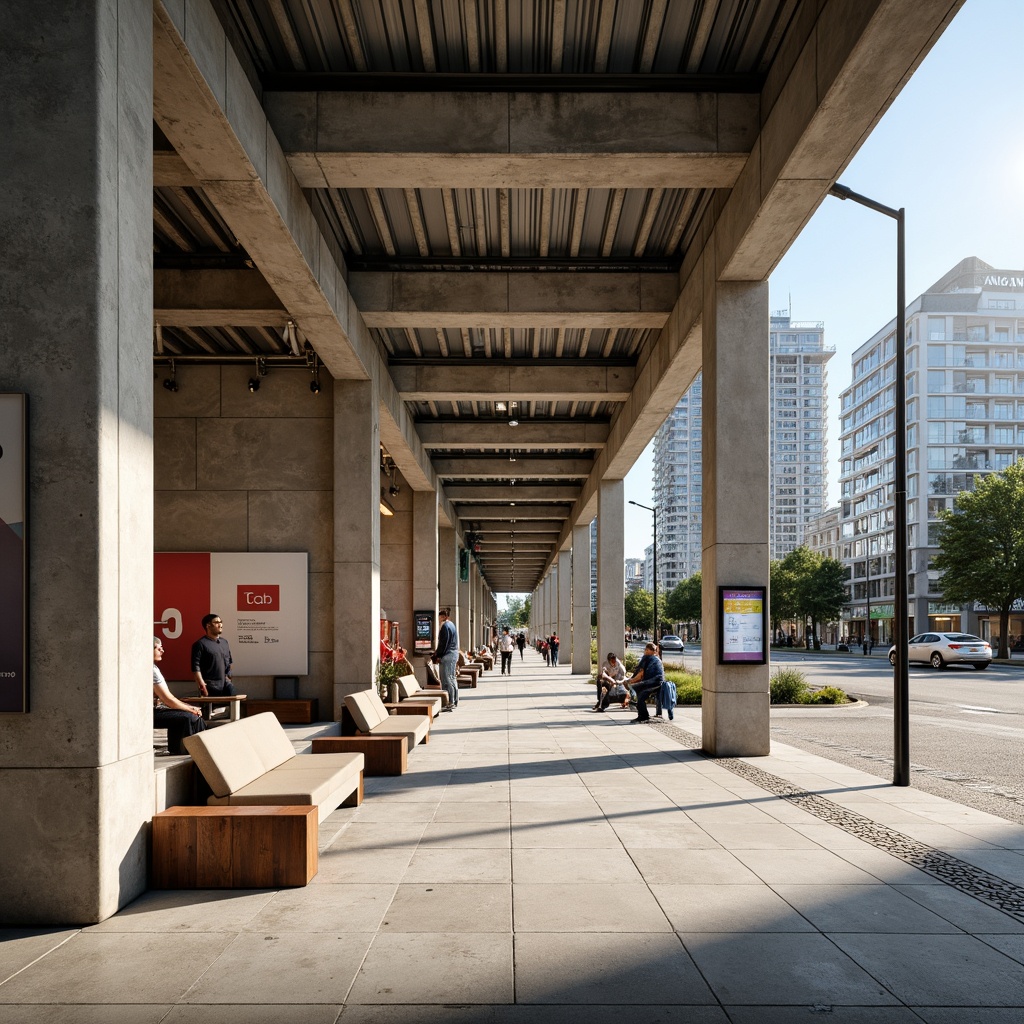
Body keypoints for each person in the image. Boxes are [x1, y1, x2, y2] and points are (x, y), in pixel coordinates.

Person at [153, 637, 206, 754]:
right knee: (190, 717)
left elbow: (170, 698)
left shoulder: (154, 668)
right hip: (149, 713)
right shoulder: (150, 670)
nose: (162, 650)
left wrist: (191, 708)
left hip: (156, 709)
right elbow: (168, 699)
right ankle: (190, 753)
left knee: (193, 716)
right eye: (158, 648)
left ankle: (196, 753)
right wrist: (191, 709)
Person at [191, 613, 235, 697]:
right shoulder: (200, 644)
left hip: (226, 684)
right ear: (208, 625)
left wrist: (229, 678)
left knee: (232, 707)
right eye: (216, 622)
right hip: (210, 685)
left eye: (221, 622)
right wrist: (202, 685)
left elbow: (229, 662)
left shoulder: (224, 642)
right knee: (212, 709)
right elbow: (196, 668)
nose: (220, 625)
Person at [626, 642, 665, 724]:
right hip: (658, 681)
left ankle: (642, 715)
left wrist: (630, 681)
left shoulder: (646, 658)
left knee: (637, 691)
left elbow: (640, 674)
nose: (645, 651)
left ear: (650, 651)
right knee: (640, 694)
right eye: (645, 650)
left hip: (652, 682)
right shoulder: (657, 658)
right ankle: (642, 713)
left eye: (646, 650)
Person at [432, 607, 459, 711]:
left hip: (448, 655)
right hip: (452, 654)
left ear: (443, 616)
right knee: (451, 678)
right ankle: (453, 701)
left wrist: (438, 655)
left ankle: (450, 701)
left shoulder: (445, 626)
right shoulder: (452, 625)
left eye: (439, 616)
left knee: (447, 679)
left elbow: (443, 643)